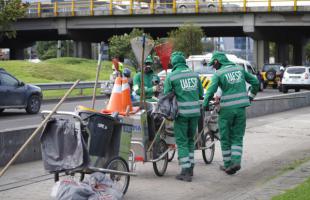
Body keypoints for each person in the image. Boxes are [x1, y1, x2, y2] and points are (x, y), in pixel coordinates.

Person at [203, 51, 259, 175]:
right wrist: (251, 96)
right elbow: (255, 82)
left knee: (225, 137)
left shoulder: (219, 74)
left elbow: (210, 91)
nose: (213, 67)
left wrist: (205, 104)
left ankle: (228, 165)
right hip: (240, 109)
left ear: (217, 62)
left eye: (214, 64)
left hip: (226, 110)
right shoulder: (239, 69)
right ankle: (236, 161)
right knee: (237, 137)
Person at [164, 51, 203, 182]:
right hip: (195, 113)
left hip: (181, 114)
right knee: (190, 140)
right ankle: (191, 167)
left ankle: (185, 172)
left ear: (174, 63)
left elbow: (167, 95)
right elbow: (200, 93)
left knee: (181, 142)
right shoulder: (194, 74)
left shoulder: (172, 76)